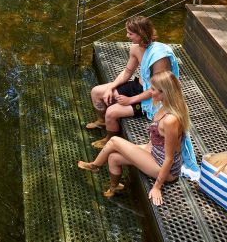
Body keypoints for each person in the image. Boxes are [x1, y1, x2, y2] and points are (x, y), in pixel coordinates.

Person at [77, 71, 190, 205]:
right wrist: (147, 148)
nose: (150, 92)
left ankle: (95, 165)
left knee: (114, 141)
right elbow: (159, 139)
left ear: (164, 92)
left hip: (164, 168)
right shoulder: (163, 106)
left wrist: (157, 187)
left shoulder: (171, 120)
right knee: (113, 158)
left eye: (153, 89)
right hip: (154, 152)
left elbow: (169, 158)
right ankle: (114, 187)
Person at [85, 15, 178, 149]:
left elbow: (158, 89)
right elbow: (128, 72)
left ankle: (109, 139)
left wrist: (131, 100)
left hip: (152, 96)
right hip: (138, 85)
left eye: (131, 33)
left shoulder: (159, 57)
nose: (127, 36)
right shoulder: (135, 47)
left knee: (111, 112)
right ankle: (101, 121)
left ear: (142, 34)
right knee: (96, 92)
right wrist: (111, 87)